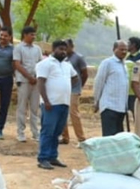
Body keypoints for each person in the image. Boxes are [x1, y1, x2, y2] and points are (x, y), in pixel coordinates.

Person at [35, 40, 78, 170]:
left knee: (57, 132)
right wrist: (46, 101)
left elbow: (75, 77)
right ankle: (43, 158)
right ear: (53, 49)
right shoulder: (45, 63)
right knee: (48, 131)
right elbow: (40, 82)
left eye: (65, 49)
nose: (63, 51)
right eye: (60, 49)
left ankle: (53, 156)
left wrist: (65, 86)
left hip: (64, 102)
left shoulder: (67, 65)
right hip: (51, 104)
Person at [13, 26, 43, 142]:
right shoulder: (18, 48)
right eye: (31, 34)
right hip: (24, 81)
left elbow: (40, 64)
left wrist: (36, 77)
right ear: (25, 35)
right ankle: (20, 133)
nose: (33, 37)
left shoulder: (37, 49)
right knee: (22, 108)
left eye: (34, 35)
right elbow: (17, 64)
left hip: (35, 81)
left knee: (35, 108)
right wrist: (29, 77)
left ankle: (36, 133)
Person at [93, 41, 129, 136]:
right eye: (121, 49)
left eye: (126, 50)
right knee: (109, 137)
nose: (124, 52)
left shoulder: (124, 65)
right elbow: (99, 83)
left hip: (121, 107)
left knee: (117, 137)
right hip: (109, 106)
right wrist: (96, 101)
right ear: (114, 49)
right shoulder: (107, 63)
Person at [61, 39, 88, 146]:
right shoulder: (63, 58)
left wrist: (80, 86)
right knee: (62, 112)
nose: (65, 49)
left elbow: (84, 74)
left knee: (73, 113)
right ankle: (65, 137)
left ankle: (81, 139)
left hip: (74, 89)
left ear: (72, 46)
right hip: (64, 88)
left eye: (67, 46)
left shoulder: (78, 57)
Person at [125, 36, 140, 122]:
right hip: (126, 91)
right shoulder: (127, 58)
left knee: (136, 116)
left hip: (136, 92)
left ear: (134, 45)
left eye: (128, 43)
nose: (126, 45)